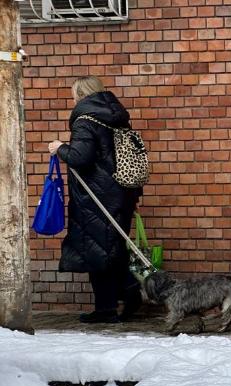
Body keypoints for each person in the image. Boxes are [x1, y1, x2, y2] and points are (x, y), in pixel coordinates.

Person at [47, 76, 143, 323]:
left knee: (97, 252)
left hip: (95, 197)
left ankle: (116, 302)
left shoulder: (85, 120)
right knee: (112, 249)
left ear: (80, 94)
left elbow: (81, 157)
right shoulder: (116, 116)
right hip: (121, 192)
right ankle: (116, 302)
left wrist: (60, 148)